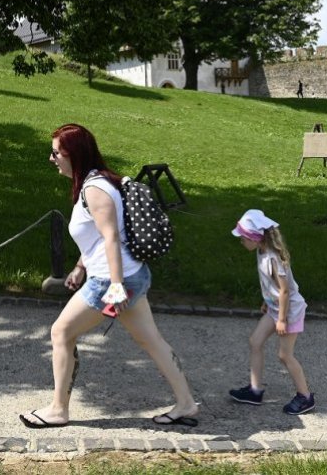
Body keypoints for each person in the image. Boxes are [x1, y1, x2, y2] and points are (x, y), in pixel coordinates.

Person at [18, 123, 199, 428]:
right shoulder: (97, 181)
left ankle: (58, 410)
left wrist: (115, 287)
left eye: (56, 153)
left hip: (113, 281)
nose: (52, 159)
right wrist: (79, 267)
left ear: (73, 154)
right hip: (131, 275)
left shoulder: (94, 188)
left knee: (61, 333)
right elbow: (97, 239)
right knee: (151, 340)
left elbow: (112, 237)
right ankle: (186, 404)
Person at [228, 210, 314, 415]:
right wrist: (267, 302)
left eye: (243, 238)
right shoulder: (261, 251)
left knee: (285, 355)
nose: (241, 241)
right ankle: (255, 390)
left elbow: (285, 290)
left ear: (254, 238)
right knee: (255, 341)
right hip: (275, 308)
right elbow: (272, 286)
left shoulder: (273, 258)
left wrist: (282, 320)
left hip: (289, 311)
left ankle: (305, 397)